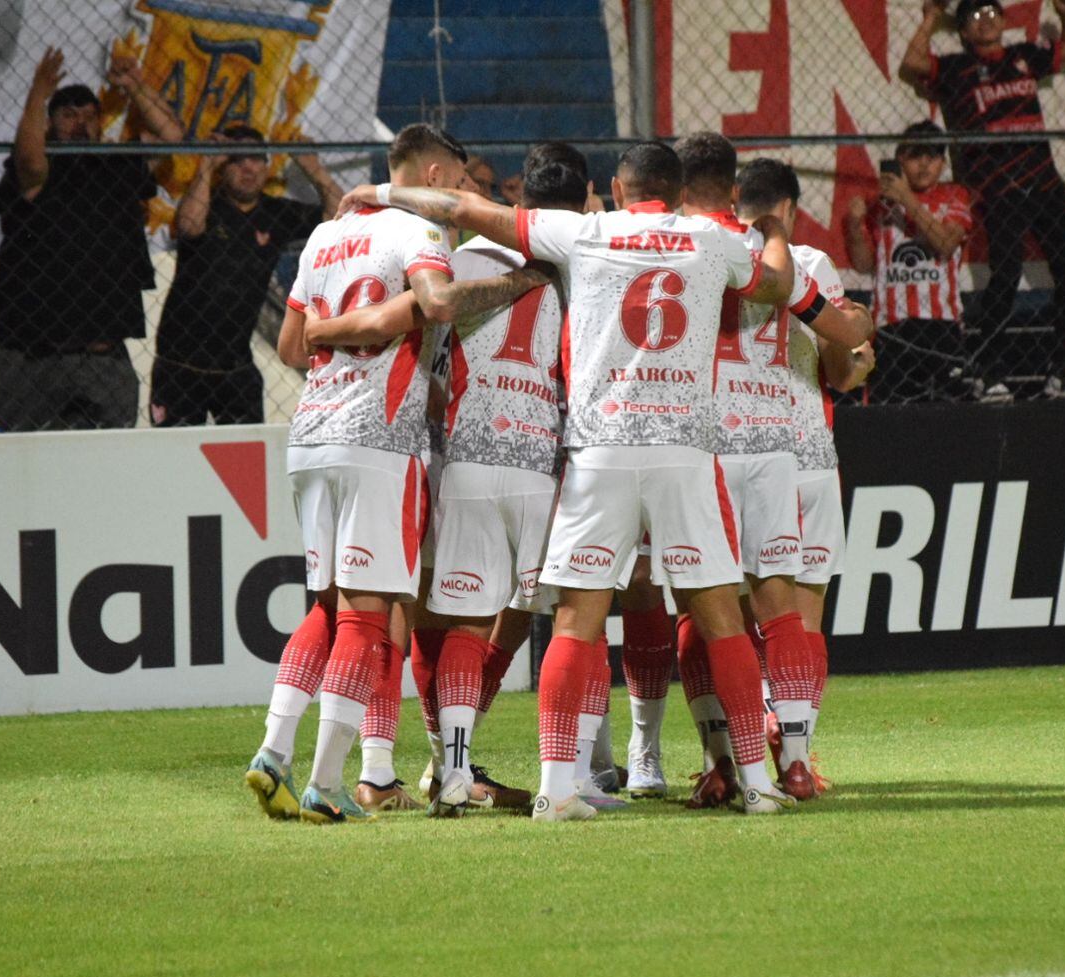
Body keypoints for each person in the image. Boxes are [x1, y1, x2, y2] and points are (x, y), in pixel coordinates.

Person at [337, 140, 800, 821]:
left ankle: (557, 787)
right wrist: (775, 232)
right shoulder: (709, 237)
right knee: (721, 616)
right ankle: (758, 784)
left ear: (616, 188)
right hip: (682, 451)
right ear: (675, 195)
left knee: (578, 620)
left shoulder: (586, 231)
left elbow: (465, 206)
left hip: (600, 450)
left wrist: (381, 195)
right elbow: (777, 285)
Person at [241, 123, 551, 826]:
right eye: (461, 183)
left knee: (324, 605)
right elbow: (439, 302)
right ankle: (324, 781)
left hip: (311, 433)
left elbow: (292, 344)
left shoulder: (327, 235)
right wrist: (507, 285)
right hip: (379, 442)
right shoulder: (420, 234)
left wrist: (338, 329)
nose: (465, 197)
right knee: (367, 617)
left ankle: (272, 752)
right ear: (435, 177)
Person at [298, 160, 589, 816]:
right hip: (543, 459)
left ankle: (412, 764)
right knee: (561, 617)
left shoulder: (454, 258)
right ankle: (564, 772)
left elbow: (426, 351)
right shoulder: (578, 260)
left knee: (425, 608)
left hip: (452, 457)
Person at [670, 136, 872, 806]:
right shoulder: (796, 256)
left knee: (702, 610)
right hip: (779, 447)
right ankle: (794, 758)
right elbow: (847, 346)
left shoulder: (669, 245)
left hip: (698, 446)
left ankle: (723, 761)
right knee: (788, 610)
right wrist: (859, 326)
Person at [739, 158, 873, 791]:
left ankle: (729, 758)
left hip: (731, 454)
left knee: (729, 617)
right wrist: (863, 360)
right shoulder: (812, 265)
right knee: (806, 614)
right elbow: (842, 373)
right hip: (807, 457)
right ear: (788, 209)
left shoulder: (709, 254)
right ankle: (797, 755)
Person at [900, 0, 1065, 399]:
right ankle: (989, 373)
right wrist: (931, 20)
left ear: (1005, 21)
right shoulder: (956, 68)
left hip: (1046, 186)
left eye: (992, 12)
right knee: (1004, 279)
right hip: (1000, 191)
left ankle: (1063, 371)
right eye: (974, 16)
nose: (985, 21)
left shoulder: (1024, 56)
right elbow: (914, 63)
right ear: (964, 31)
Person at [0, 48, 183, 431]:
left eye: (90, 116)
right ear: (50, 123)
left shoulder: (115, 164)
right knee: (20, 451)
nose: (81, 123)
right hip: (30, 352)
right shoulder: (42, 167)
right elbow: (29, 162)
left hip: (101, 350)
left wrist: (135, 86)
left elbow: (171, 136)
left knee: (108, 453)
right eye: (69, 115)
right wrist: (38, 94)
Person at [149, 125, 341, 426]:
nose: (248, 166)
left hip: (235, 365)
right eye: (237, 158)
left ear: (267, 167)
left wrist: (313, 169)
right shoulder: (206, 205)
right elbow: (187, 226)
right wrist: (206, 165)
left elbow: (340, 219)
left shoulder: (274, 213)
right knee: (176, 457)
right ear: (224, 168)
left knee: (244, 464)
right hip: (179, 362)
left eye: (256, 157)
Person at [845, 121, 974, 403]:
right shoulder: (879, 204)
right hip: (892, 325)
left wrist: (907, 199)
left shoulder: (954, 196)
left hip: (941, 323)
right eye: (916, 155)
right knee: (891, 410)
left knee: (952, 408)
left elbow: (945, 244)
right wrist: (855, 226)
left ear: (943, 162)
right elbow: (864, 264)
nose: (924, 164)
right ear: (900, 159)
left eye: (933, 156)